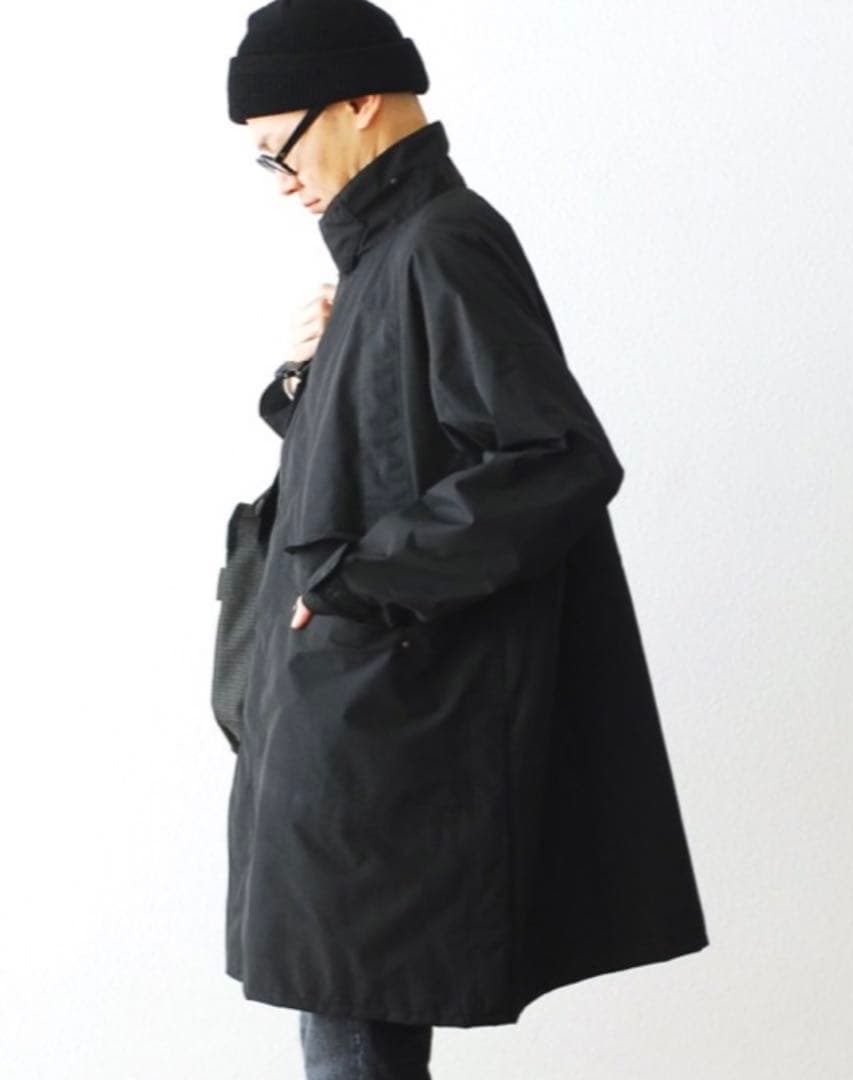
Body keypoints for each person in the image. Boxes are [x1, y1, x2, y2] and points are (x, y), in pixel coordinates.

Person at [223, 2, 709, 1077]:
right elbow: (380, 456)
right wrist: (306, 377)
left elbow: (554, 458)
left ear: (359, 100)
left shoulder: (442, 244)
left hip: (386, 733)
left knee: (355, 1039)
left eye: (278, 148)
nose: (282, 183)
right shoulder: (384, 256)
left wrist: (356, 584)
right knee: (348, 1032)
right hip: (350, 723)